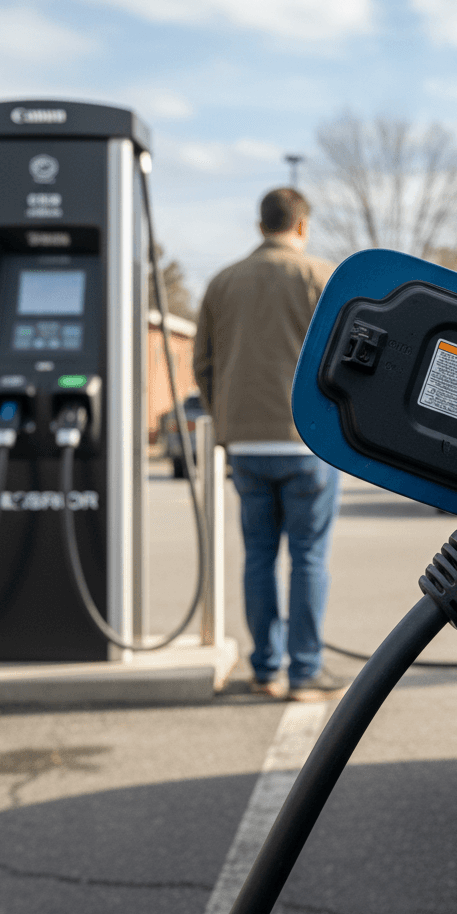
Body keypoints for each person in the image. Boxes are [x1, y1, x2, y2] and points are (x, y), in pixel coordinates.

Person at [194, 188, 347, 702]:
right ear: (302, 225)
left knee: (258, 555)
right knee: (308, 557)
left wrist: (228, 420)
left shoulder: (222, 282)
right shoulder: (323, 278)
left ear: (260, 225)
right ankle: (305, 673)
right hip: (309, 442)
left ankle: (265, 670)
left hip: (246, 442)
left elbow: (203, 363)